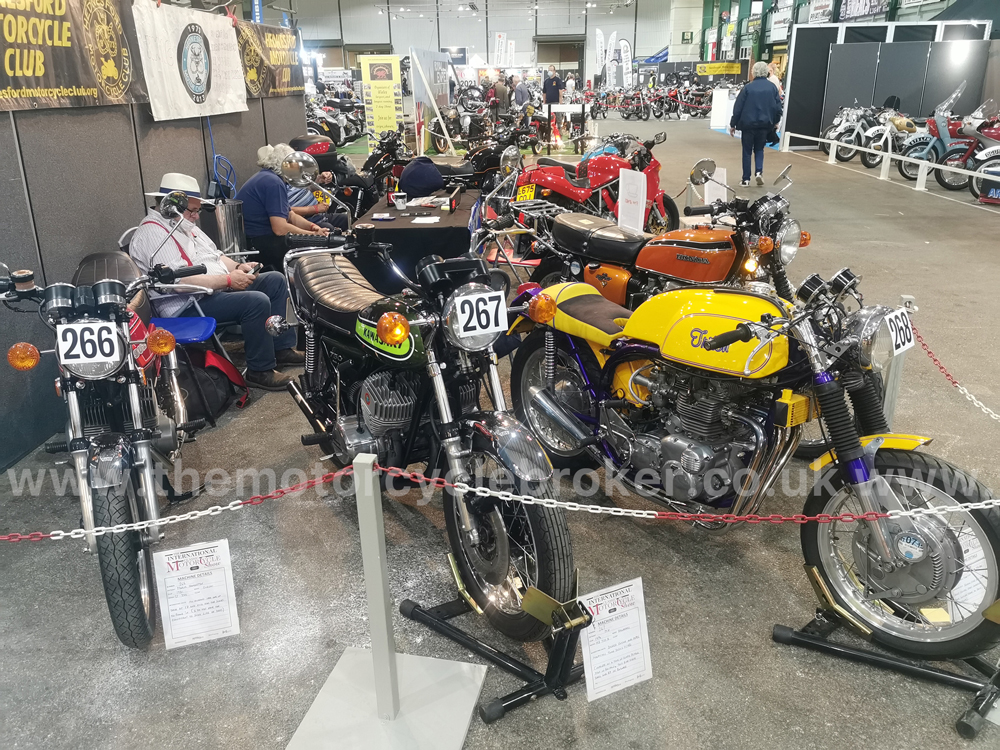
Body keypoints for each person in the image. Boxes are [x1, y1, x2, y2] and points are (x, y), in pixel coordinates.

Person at [129, 172, 302, 391]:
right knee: (255, 302)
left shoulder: (183, 224)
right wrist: (228, 280)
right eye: (192, 210)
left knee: (274, 280)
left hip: (210, 292)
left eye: (197, 209)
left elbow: (216, 255)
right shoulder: (154, 234)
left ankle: (280, 347)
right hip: (185, 304)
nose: (196, 216)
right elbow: (179, 282)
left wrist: (238, 267)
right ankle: (260, 370)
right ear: (171, 206)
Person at [236, 144, 330, 270]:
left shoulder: (269, 178)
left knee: (320, 237)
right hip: (260, 241)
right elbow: (279, 229)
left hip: (258, 239)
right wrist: (312, 236)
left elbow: (290, 215)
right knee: (320, 246)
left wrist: (313, 228)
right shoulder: (273, 183)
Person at [729, 61, 783, 187]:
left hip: (748, 125)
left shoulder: (747, 88)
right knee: (759, 149)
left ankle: (746, 179)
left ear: (753, 72)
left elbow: (738, 108)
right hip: (764, 125)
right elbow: (777, 108)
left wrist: (733, 124)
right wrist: (775, 122)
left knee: (747, 151)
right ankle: (759, 172)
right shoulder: (772, 88)